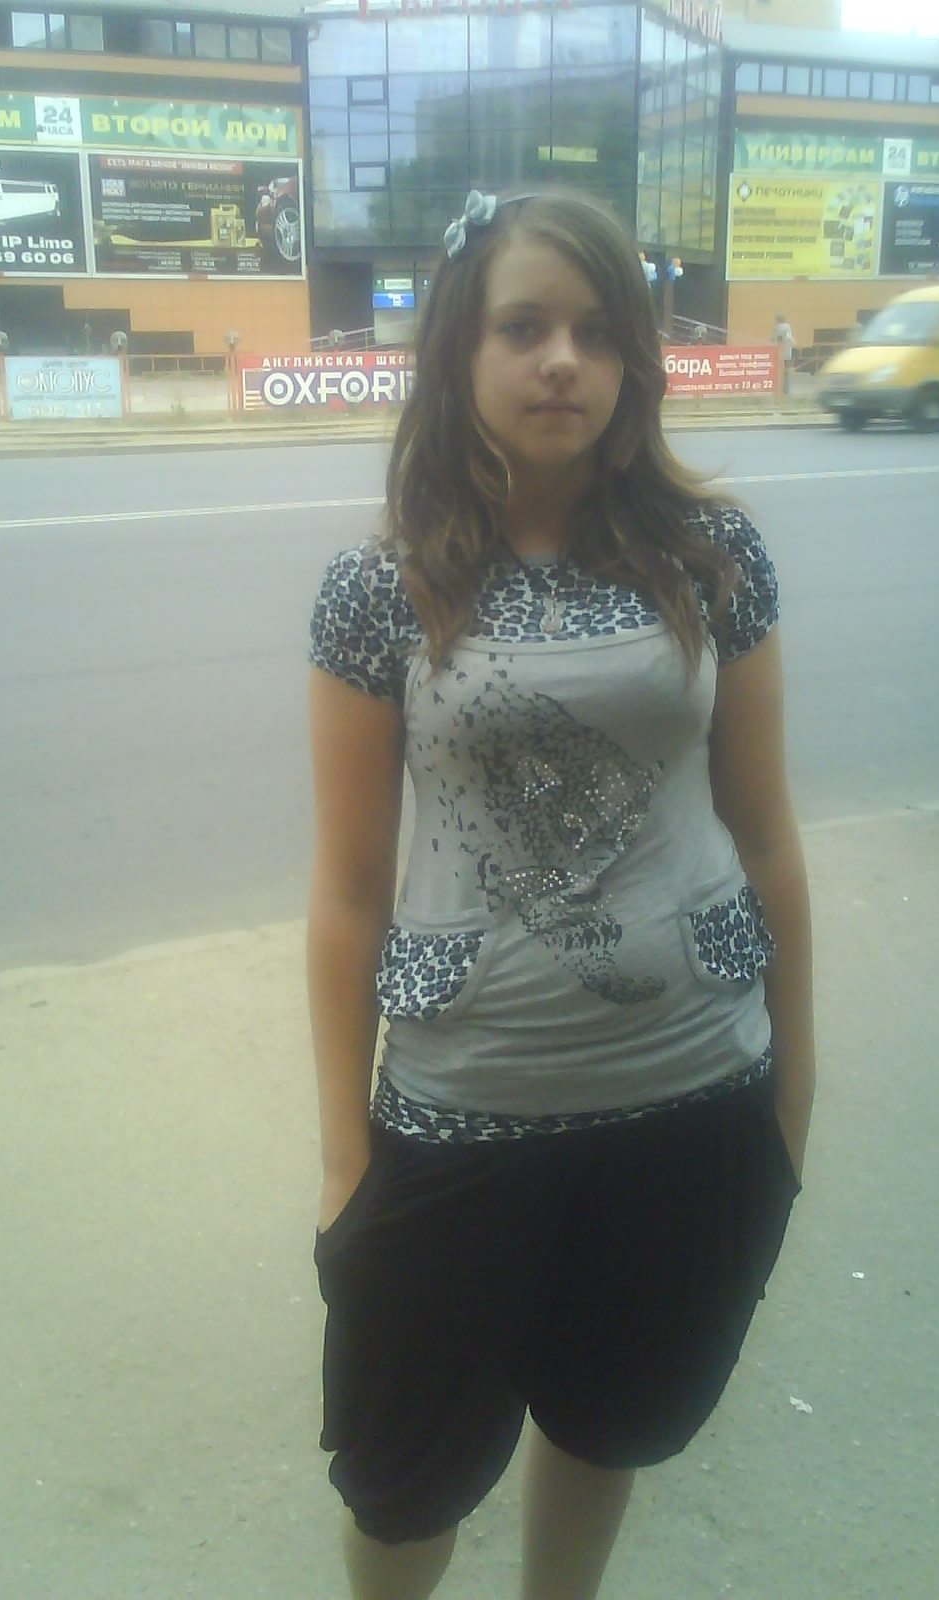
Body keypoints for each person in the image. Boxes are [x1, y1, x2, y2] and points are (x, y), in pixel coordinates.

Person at [306, 187, 814, 1600]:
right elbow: (345, 894)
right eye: (523, 327)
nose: (561, 362)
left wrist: (793, 1094)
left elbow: (768, 835)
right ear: (459, 351)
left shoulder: (713, 558)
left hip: (695, 1100)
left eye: (596, 332)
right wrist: (345, 1162)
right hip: (458, 1113)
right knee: (405, 1477)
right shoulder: (380, 589)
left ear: (634, 360)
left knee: (610, 1422)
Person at [772, 312, 794, 394]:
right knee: (786, 373)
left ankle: (779, 389)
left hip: (780, 354)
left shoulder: (778, 328)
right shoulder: (788, 327)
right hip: (788, 353)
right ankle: (786, 389)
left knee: (778, 373)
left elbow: (775, 339)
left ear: (777, 320)